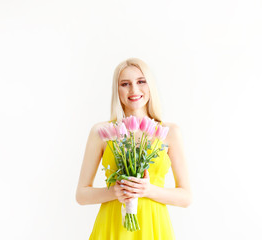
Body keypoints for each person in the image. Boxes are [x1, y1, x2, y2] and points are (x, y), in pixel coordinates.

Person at [75, 58, 192, 239]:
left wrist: (148, 190)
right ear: (117, 90)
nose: (134, 90)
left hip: (154, 227)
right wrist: (114, 191)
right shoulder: (102, 132)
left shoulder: (169, 132)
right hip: (112, 227)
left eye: (141, 81)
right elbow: (81, 195)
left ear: (150, 85)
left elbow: (186, 197)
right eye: (125, 84)